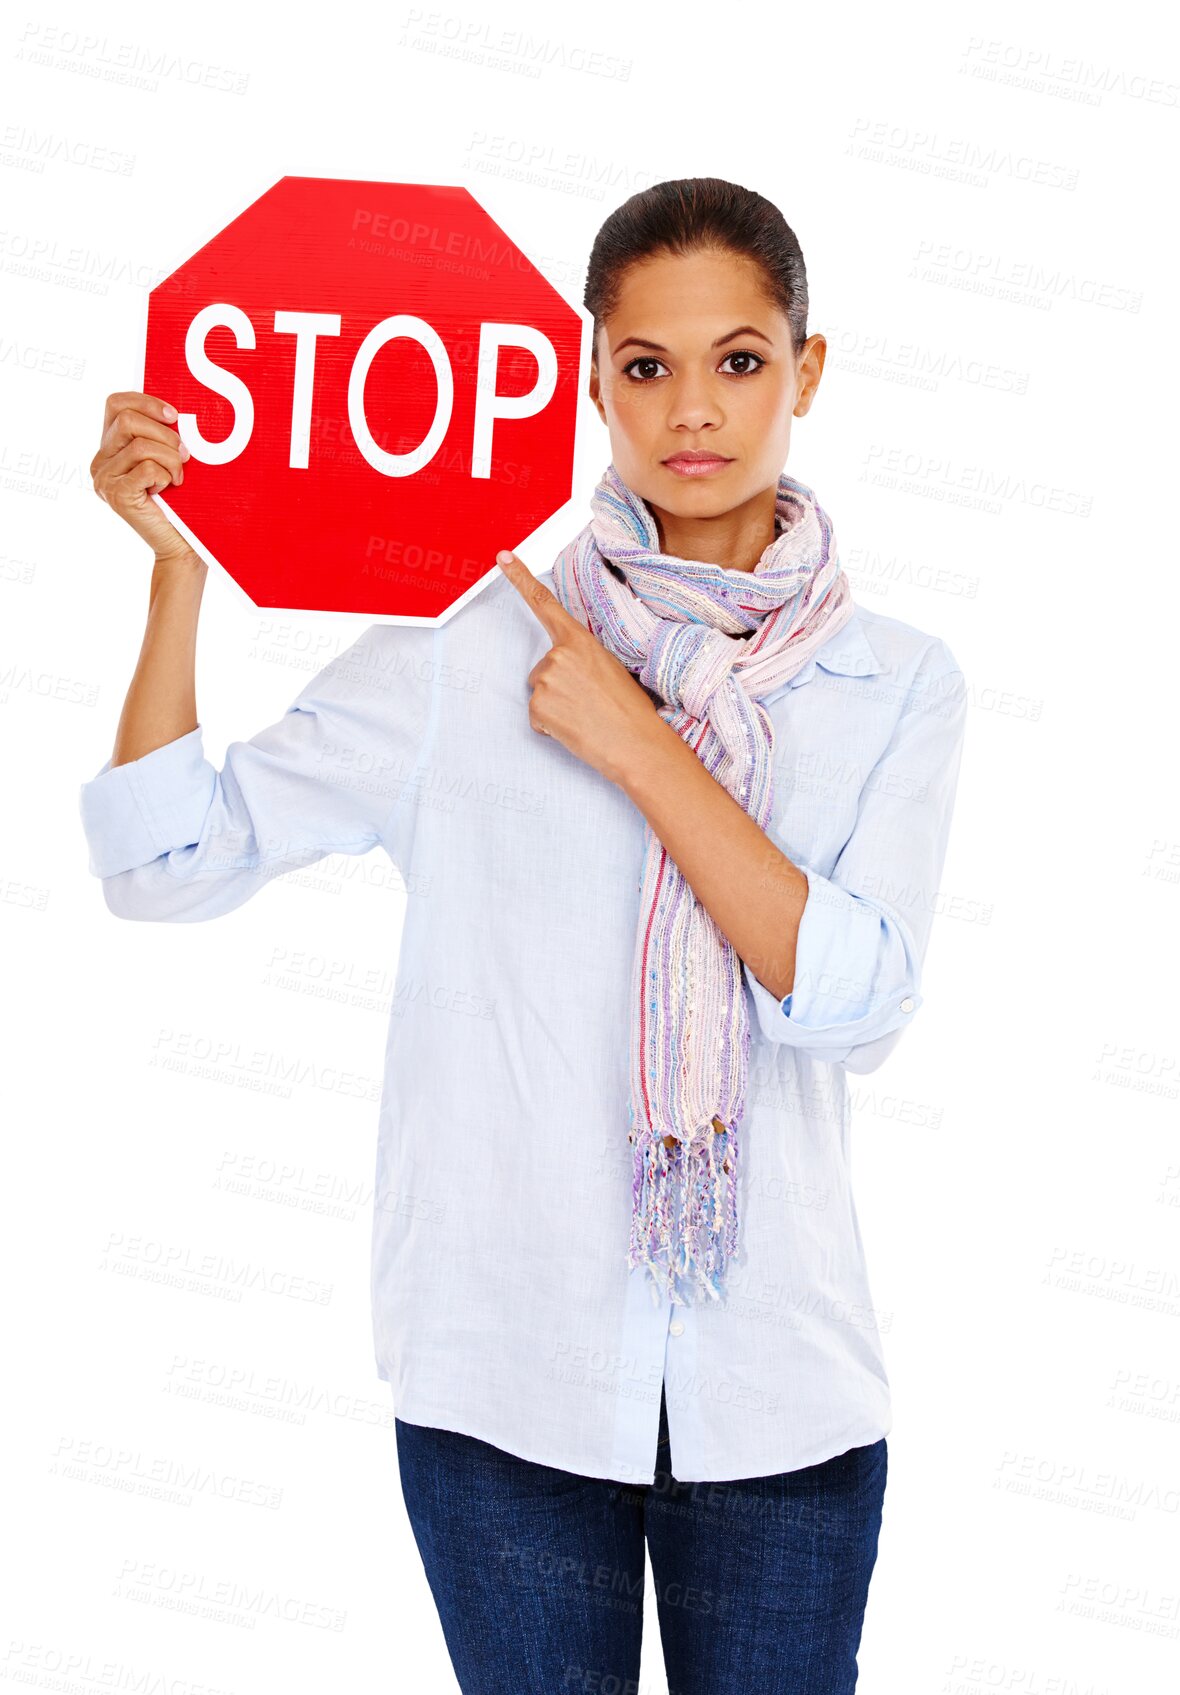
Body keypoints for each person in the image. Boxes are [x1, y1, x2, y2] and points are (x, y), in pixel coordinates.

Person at [79, 177, 968, 1694]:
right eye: (646, 365)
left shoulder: (894, 684)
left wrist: (639, 749)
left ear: (808, 372)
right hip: (508, 1387)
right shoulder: (464, 655)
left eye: (741, 359)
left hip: (781, 1401)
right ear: (588, 375)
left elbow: (856, 1003)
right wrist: (181, 575)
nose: (694, 410)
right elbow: (167, 859)